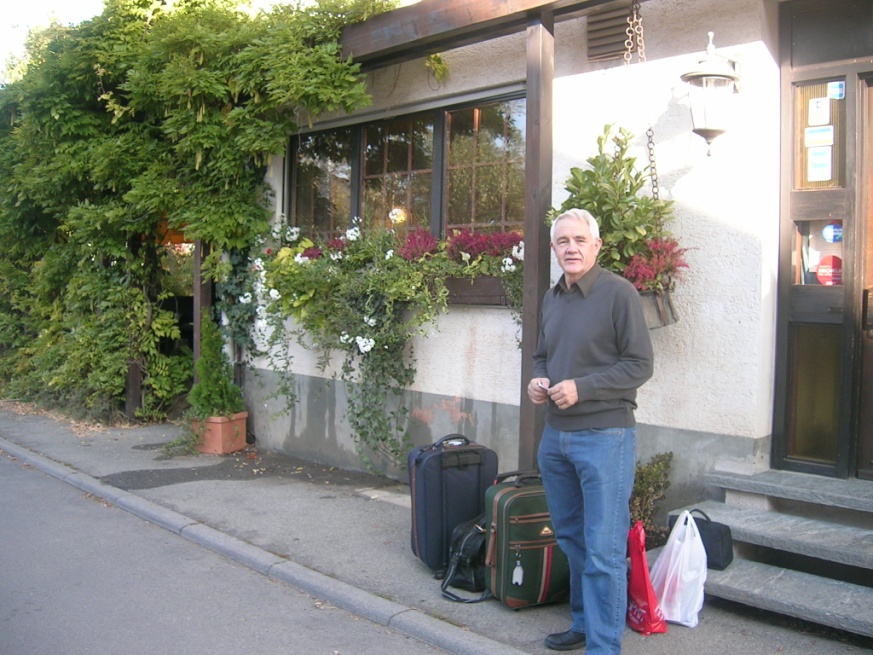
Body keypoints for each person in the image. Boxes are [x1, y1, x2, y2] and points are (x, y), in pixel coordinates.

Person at [527, 208, 654, 654]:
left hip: (605, 438)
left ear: (596, 246)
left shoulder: (619, 294)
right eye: (563, 241)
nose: (571, 248)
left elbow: (640, 365)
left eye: (580, 240)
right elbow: (543, 354)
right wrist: (538, 380)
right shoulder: (552, 297)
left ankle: (604, 646)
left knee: (602, 550)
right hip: (555, 438)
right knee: (573, 540)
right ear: (554, 249)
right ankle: (583, 624)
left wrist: (583, 388)